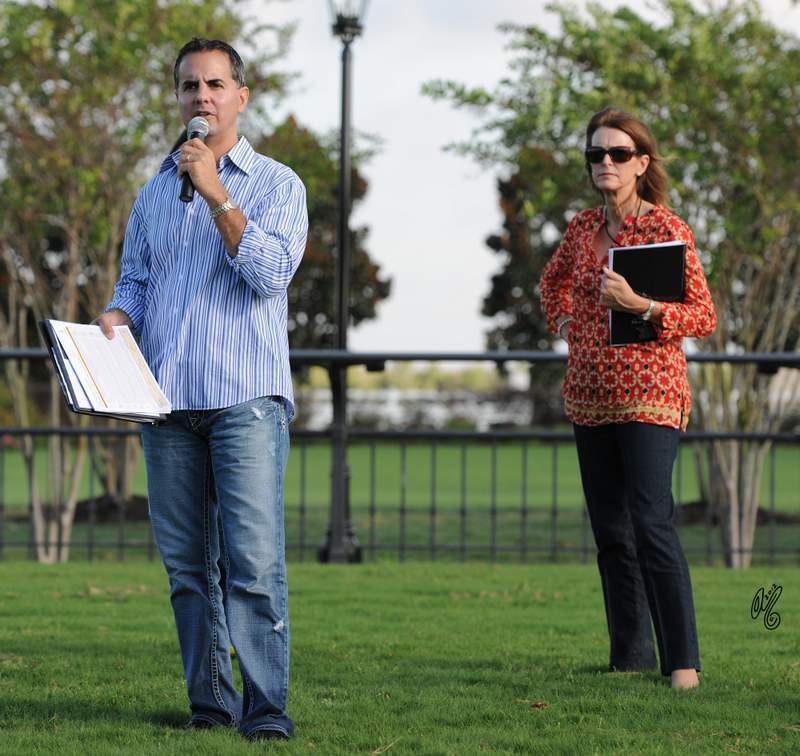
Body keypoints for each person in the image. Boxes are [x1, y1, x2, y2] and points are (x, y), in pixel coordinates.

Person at [97, 38, 307, 738]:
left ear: (241, 97)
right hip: (167, 406)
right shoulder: (154, 193)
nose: (202, 97)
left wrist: (219, 193)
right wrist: (117, 313)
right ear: (179, 98)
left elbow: (271, 274)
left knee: (251, 565)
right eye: (190, 86)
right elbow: (137, 280)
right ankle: (211, 707)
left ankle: (267, 709)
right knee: (189, 570)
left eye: (216, 84)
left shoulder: (277, 185)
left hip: (245, 399)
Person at [539, 107, 716, 689]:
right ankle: (629, 658)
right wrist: (565, 320)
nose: (605, 163)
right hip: (589, 397)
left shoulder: (667, 229)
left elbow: (704, 315)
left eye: (617, 154)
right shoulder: (581, 228)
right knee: (611, 532)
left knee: (650, 522)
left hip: (651, 396)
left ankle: (682, 664)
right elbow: (552, 282)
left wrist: (641, 306)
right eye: (596, 154)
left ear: (641, 163)